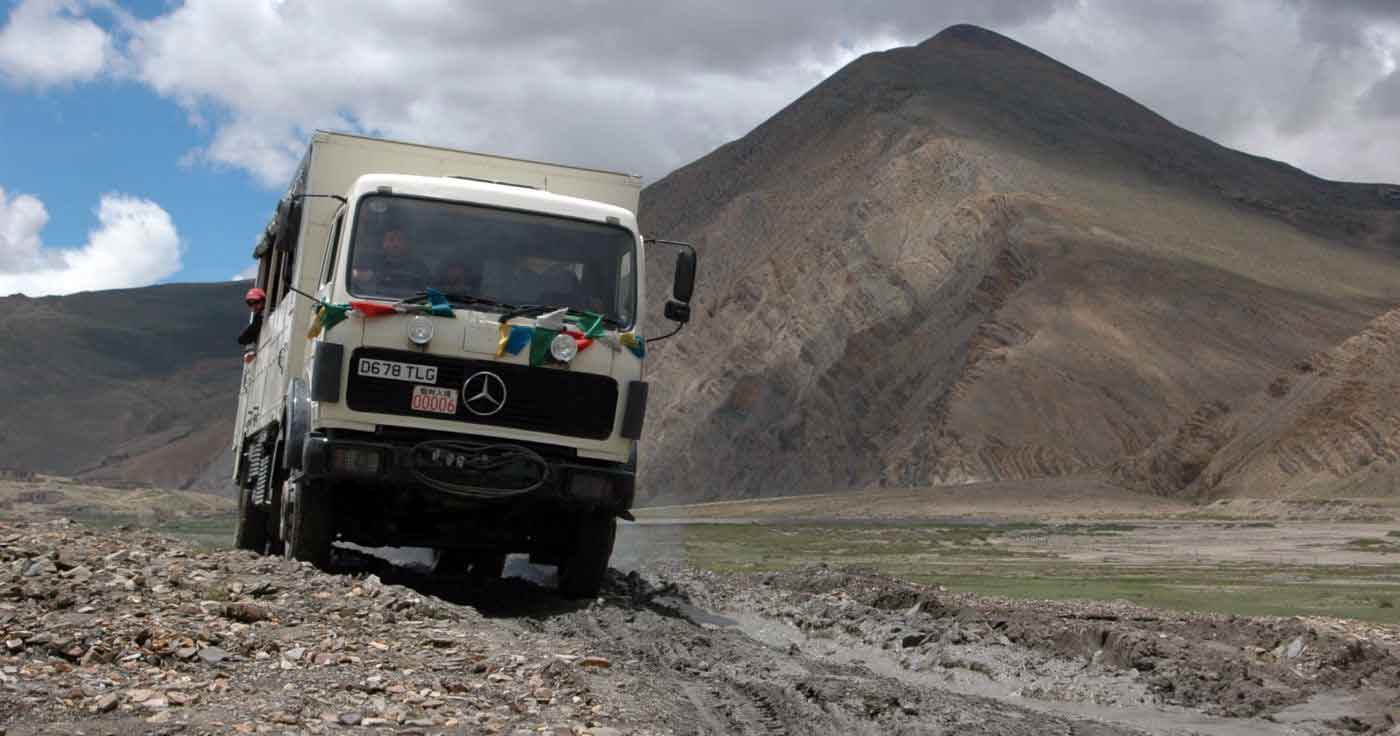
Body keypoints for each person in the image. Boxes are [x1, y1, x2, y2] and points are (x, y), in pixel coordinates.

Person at [352, 228, 430, 297]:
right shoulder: (370, 262)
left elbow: (427, 291)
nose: (395, 244)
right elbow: (354, 276)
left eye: (399, 240)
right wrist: (362, 276)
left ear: (407, 243)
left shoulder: (418, 266)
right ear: (383, 243)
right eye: (391, 239)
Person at [238, 287, 265, 363]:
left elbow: (253, 328)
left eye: (256, 302)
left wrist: (243, 338)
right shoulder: (258, 316)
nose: (254, 306)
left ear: (263, 301)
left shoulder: (262, 315)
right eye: (250, 304)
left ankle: (250, 351)